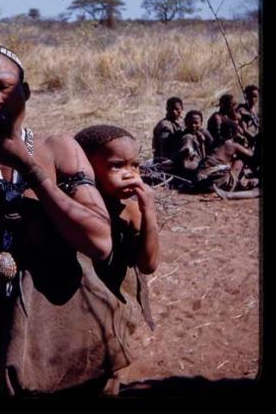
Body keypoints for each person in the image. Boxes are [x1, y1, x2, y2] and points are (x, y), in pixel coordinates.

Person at [0, 43, 138, 397]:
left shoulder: (60, 151)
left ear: (25, 91)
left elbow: (99, 243)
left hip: (76, 352)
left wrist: (28, 166)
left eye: (3, 87)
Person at [74, 124, 159, 382]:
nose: (130, 175)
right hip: (79, 314)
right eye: (116, 166)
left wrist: (149, 213)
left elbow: (148, 265)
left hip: (116, 316)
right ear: (86, 166)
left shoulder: (131, 211)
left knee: (106, 376)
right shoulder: (73, 211)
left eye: (135, 166)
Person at [193, 119, 257, 195]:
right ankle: (236, 183)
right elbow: (253, 156)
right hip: (216, 182)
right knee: (240, 159)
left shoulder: (215, 143)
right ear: (234, 133)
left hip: (200, 180)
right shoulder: (233, 146)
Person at [173, 110, 213, 179]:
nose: (193, 125)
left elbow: (213, 148)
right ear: (185, 122)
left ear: (201, 123)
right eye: (191, 122)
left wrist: (202, 143)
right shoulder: (182, 136)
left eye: (196, 123)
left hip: (203, 164)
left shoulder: (204, 133)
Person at [151, 97, 185, 164]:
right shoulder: (165, 125)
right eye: (171, 109)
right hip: (167, 160)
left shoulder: (183, 122)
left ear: (182, 108)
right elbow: (163, 147)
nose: (174, 112)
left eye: (177, 109)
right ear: (167, 109)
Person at [237, 85, 260, 151]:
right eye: (250, 96)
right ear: (246, 96)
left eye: (255, 96)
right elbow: (244, 129)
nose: (253, 99)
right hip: (247, 141)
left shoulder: (257, 112)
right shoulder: (241, 110)